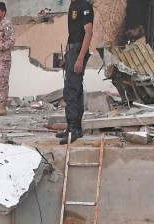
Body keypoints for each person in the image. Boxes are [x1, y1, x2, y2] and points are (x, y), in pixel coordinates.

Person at [57, 0, 94, 144]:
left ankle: (73, 130)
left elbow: (88, 33)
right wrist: (68, 57)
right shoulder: (73, 5)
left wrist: (79, 58)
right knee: (76, 90)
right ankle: (74, 128)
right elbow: (74, 33)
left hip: (78, 51)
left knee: (70, 90)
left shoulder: (84, 6)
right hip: (72, 51)